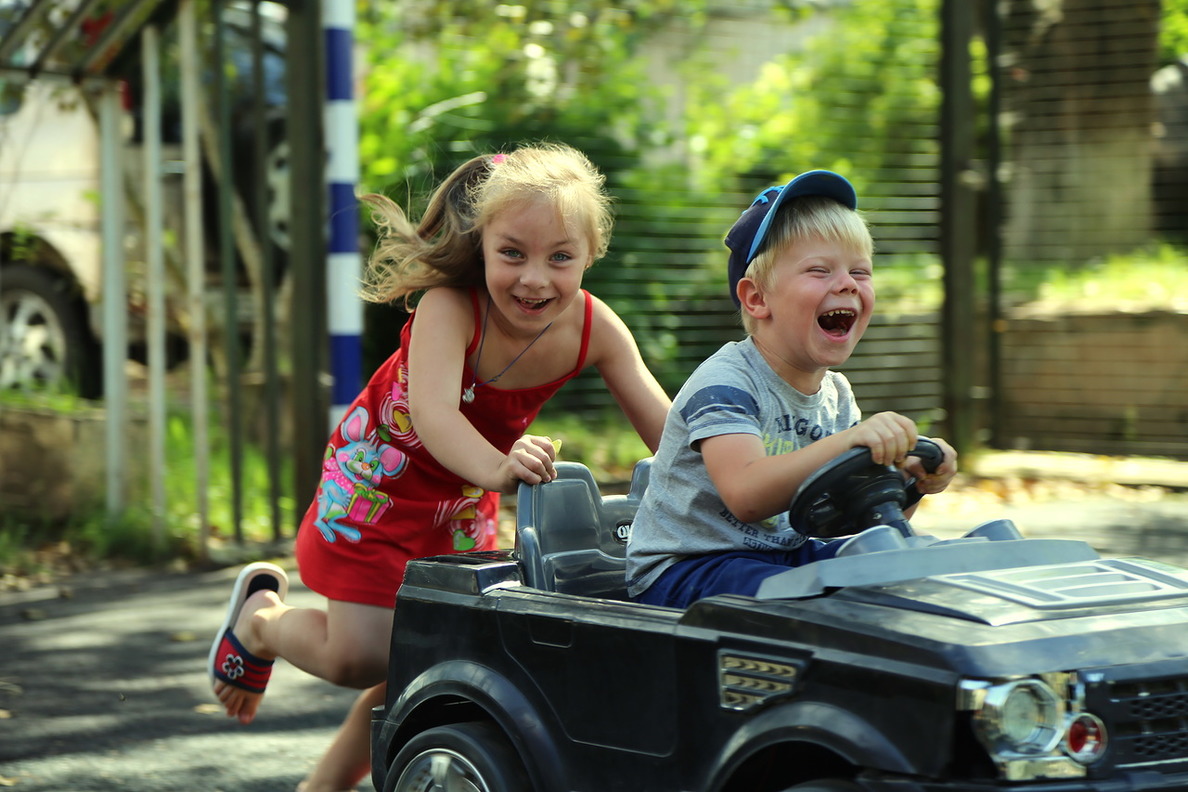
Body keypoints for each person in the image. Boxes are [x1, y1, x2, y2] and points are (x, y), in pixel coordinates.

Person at [208, 142, 671, 792]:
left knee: (427, 656)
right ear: (481, 246)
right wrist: (501, 468)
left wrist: (740, 482)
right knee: (358, 655)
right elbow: (435, 417)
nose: (535, 279)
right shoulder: (450, 308)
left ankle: (322, 786)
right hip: (379, 484)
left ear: (591, 254)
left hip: (460, 500)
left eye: (560, 257)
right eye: (512, 253)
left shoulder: (595, 328)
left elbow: (671, 435)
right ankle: (261, 622)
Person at [625, 169, 958, 609]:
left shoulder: (837, 396)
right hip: (688, 569)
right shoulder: (726, 382)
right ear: (757, 299)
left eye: (860, 271)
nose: (848, 283)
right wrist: (850, 441)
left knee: (904, 565)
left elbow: (854, 523)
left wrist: (909, 484)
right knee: (811, 596)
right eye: (819, 270)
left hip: (782, 558)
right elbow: (746, 495)